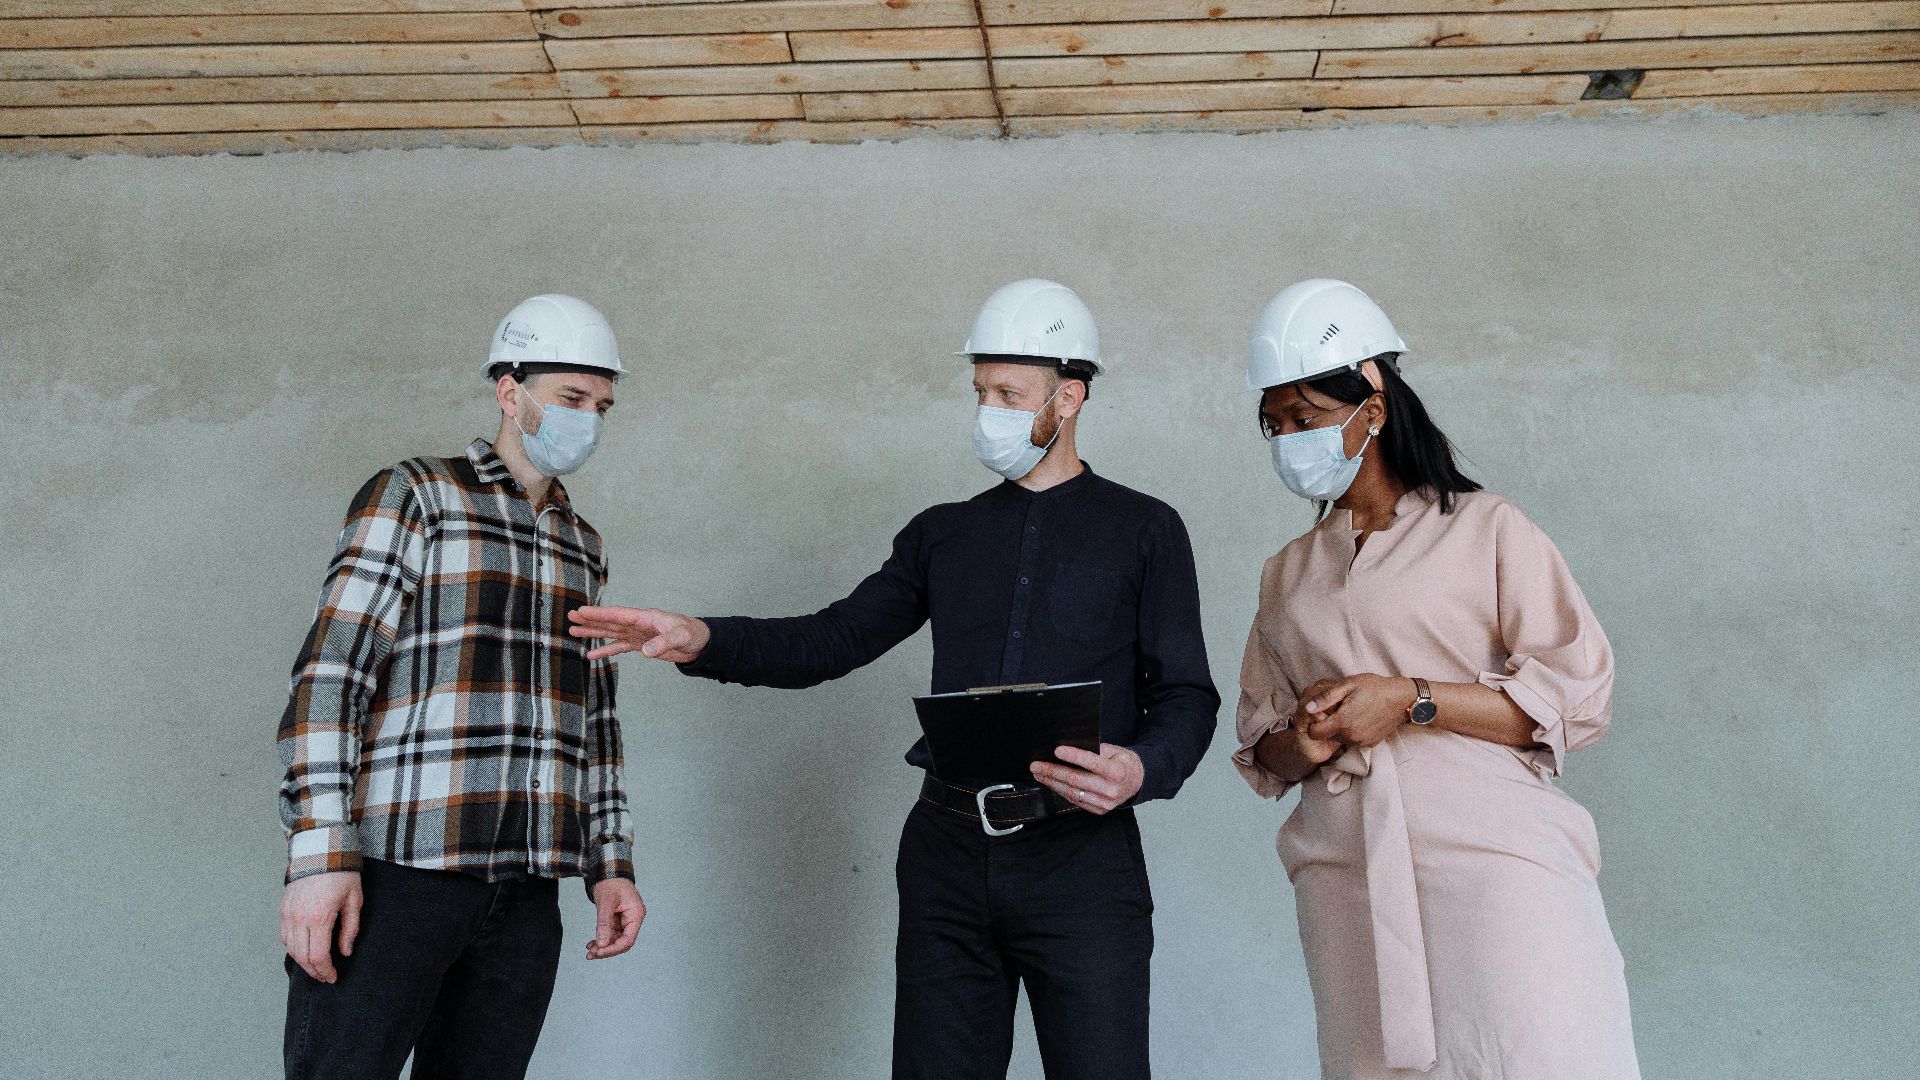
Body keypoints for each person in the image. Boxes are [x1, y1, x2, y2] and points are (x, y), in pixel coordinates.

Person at [569, 279, 1219, 1080]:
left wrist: (1144, 769)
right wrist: (700, 638)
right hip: (946, 854)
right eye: (981, 392)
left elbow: (1187, 694)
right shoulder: (942, 534)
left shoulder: (1146, 529)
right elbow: (833, 639)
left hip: (1082, 859)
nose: (990, 410)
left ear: (1071, 397)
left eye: (1010, 393)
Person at [1231, 279, 1640, 1079]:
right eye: (1273, 425)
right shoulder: (1287, 573)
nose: (1287, 439)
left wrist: (1412, 700)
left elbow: (1578, 699)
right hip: (1345, 876)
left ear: (1372, 408)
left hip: (1492, 863)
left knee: (1534, 1055)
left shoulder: (1486, 529)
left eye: (1305, 419)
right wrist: (1305, 743)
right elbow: (1261, 750)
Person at [276, 294, 647, 1080]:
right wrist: (320, 855)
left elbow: (597, 719)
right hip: (399, 873)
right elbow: (331, 673)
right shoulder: (417, 495)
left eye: (602, 406)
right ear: (510, 393)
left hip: (526, 887)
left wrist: (610, 863)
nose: (590, 420)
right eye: (572, 399)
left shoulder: (583, 544)